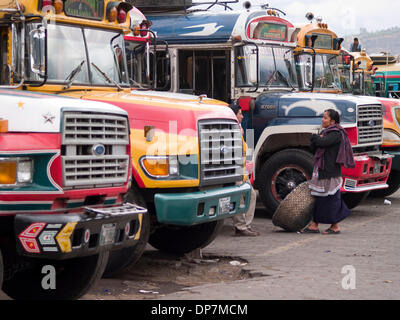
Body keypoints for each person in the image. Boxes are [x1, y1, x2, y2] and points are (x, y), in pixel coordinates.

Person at [301, 109, 355, 234]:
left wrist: (315, 137)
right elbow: (314, 147)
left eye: (325, 118)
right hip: (324, 170)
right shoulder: (327, 132)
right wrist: (317, 139)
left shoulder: (335, 133)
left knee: (330, 199)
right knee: (323, 198)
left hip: (329, 171)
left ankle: (333, 226)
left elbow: (321, 142)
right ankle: (315, 225)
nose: (322, 120)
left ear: (332, 121)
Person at [229, 102, 259, 237]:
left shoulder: (239, 130)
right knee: (241, 199)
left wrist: (249, 170)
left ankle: (245, 225)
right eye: (239, 113)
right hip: (236, 171)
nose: (242, 116)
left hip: (243, 172)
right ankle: (240, 227)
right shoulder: (231, 131)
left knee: (251, 195)